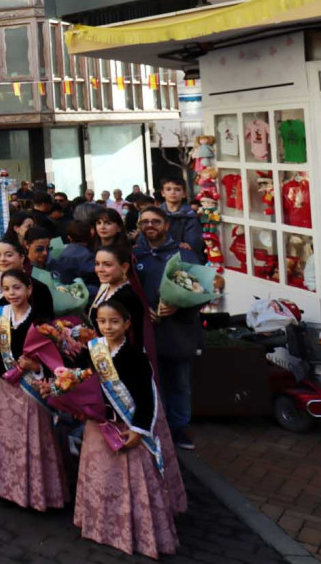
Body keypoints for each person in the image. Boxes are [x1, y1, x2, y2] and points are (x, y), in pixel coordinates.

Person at [71, 302, 179, 558]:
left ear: (127, 324)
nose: (107, 327)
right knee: (101, 480)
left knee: (131, 485)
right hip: (99, 425)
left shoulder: (136, 357)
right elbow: (82, 379)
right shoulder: (92, 349)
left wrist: (139, 430)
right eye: (102, 321)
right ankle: (101, 527)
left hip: (127, 427)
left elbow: (146, 398)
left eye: (114, 321)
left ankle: (133, 532)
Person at [0, 269, 67, 511]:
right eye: (7, 289)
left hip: (31, 391)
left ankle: (34, 492)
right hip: (5, 387)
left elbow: (54, 361)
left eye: (17, 288)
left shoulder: (40, 321)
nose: (12, 293)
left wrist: (36, 366)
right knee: (7, 439)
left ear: (29, 289)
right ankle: (7, 488)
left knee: (32, 441)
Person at [134, 207, 206, 450]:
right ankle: (157, 427)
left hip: (178, 331)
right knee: (151, 382)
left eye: (156, 221)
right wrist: (142, 310)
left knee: (179, 382)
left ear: (166, 225)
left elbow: (202, 292)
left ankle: (179, 429)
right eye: (145, 222)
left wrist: (179, 306)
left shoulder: (184, 255)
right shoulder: (134, 256)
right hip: (146, 332)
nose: (150, 225)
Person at [159, 177, 204, 255]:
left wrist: (190, 245)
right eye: (168, 189)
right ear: (163, 193)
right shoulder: (156, 214)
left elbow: (194, 241)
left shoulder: (191, 214)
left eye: (177, 189)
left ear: (184, 194)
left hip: (184, 256)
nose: (173, 192)